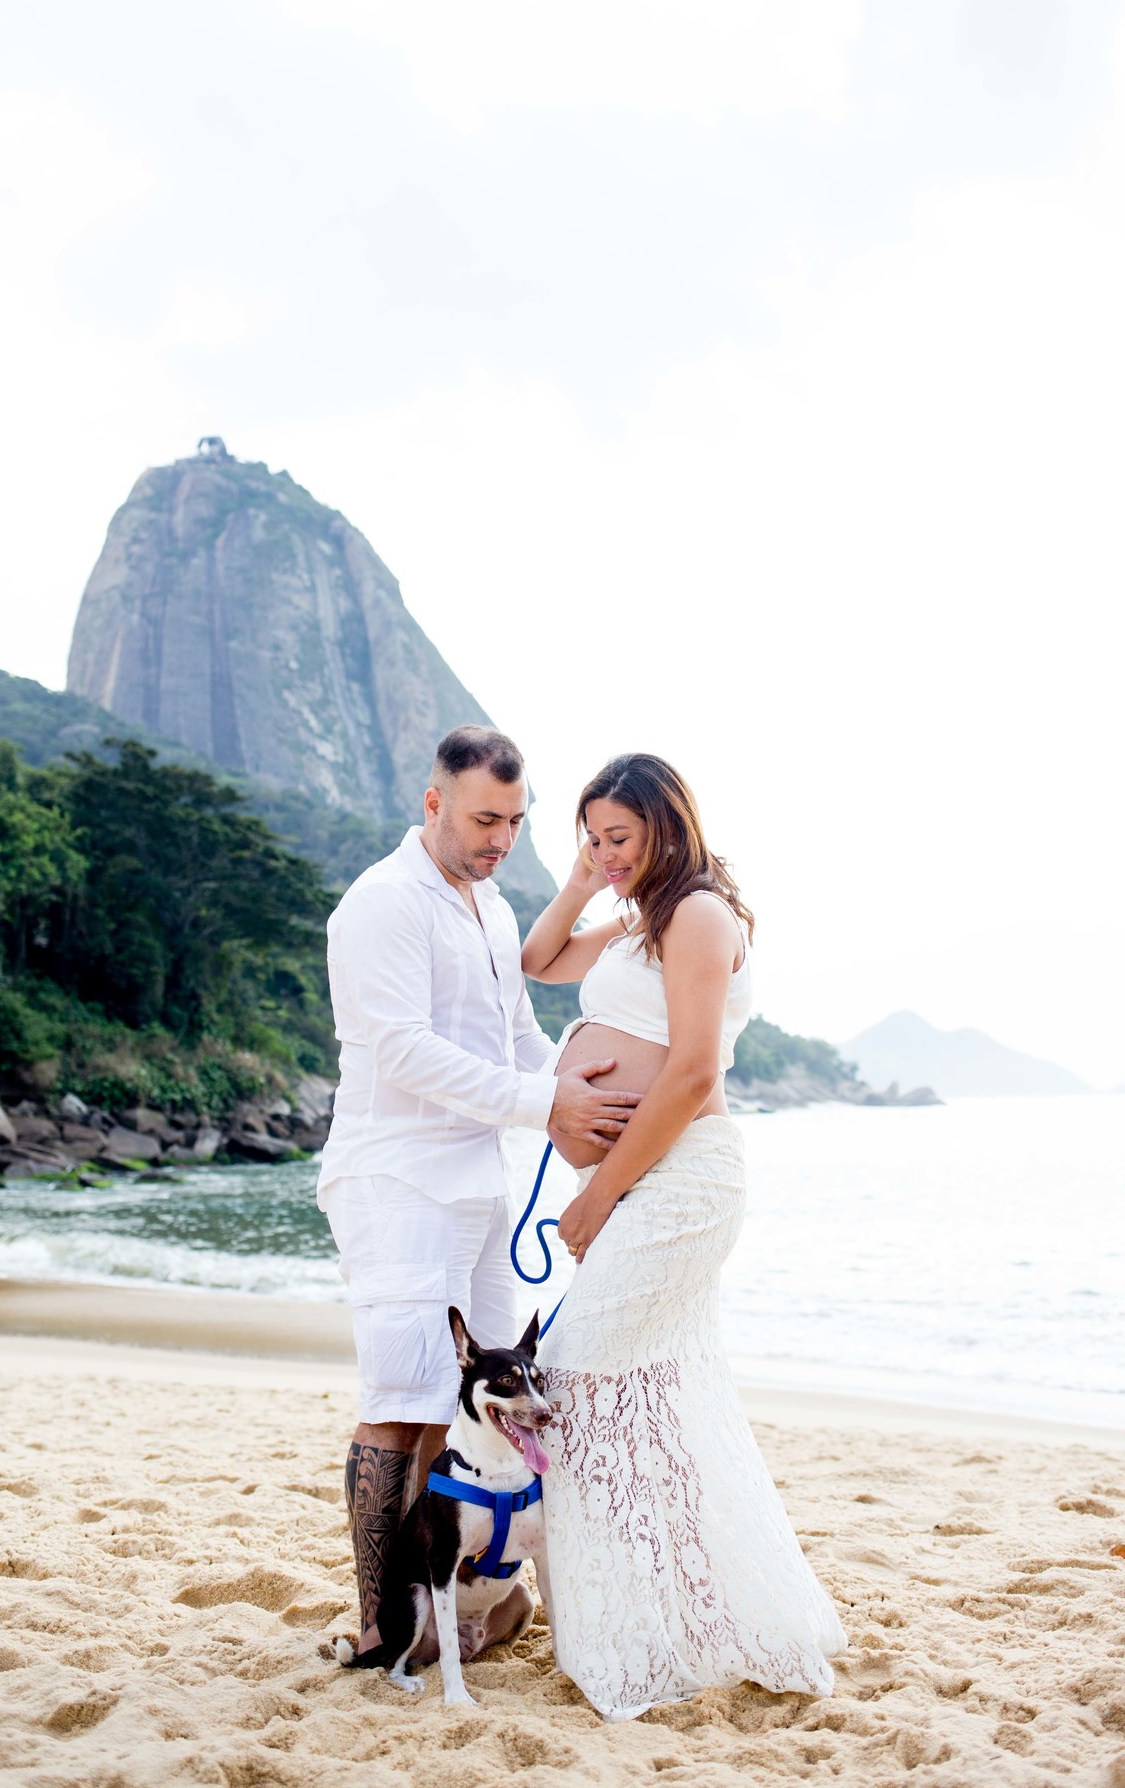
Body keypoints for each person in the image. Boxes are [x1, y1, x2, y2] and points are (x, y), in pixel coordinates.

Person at [521, 753, 847, 1720]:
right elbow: (540, 961)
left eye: (619, 837)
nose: (605, 854)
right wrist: (583, 879)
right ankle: (685, 1612)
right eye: (593, 837)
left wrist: (596, 1198)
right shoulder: (636, 921)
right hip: (640, 1182)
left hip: (680, 1183)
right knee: (657, 1399)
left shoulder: (698, 915)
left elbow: (695, 1074)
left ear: (670, 825)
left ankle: (655, 1618)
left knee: (577, 1377)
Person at [317, 725, 641, 1654]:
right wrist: (546, 1104)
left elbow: (516, 1041)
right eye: (484, 818)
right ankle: (383, 1625)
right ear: (434, 805)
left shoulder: (493, 908)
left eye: (515, 819)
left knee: (467, 1395)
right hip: (393, 1177)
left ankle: (439, 1609)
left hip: (478, 1183)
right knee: (402, 1397)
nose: (501, 837)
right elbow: (405, 1053)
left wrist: (592, 1106)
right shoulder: (380, 905)